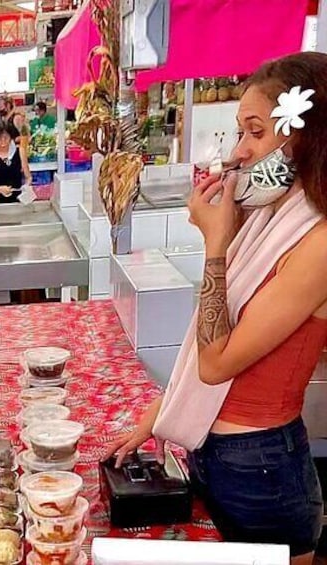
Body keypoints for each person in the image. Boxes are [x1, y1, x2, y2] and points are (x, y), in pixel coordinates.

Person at [104, 52, 327, 565]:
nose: (239, 153)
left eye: (255, 132)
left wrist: (216, 244)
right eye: (239, 133)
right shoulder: (269, 218)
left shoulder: (316, 241)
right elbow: (210, 352)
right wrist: (159, 413)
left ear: (303, 138)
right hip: (214, 452)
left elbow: (217, 361)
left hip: (264, 468)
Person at [0, 120, 32, 204]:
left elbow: (28, 177)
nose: (3, 141)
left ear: (11, 138)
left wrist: (26, 187)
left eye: (6, 137)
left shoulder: (20, 152)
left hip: (19, 201)